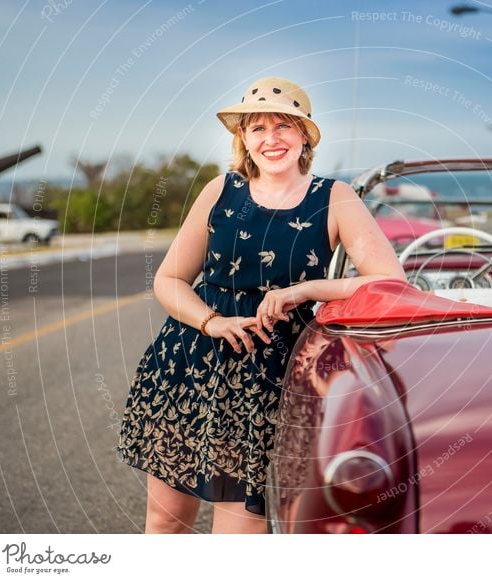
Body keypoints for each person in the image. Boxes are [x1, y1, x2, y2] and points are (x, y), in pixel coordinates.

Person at [117, 77, 405, 534]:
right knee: (165, 523)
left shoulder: (334, 197)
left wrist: (304, 290)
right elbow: (169, 279)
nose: (271, 139)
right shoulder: (219, 190)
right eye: (257, 128)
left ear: (304, 136)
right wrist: (211, 323)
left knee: (240, 534)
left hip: (270, 382)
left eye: (284, 126)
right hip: (188, 367)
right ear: (243, 140)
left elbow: (389, 279)